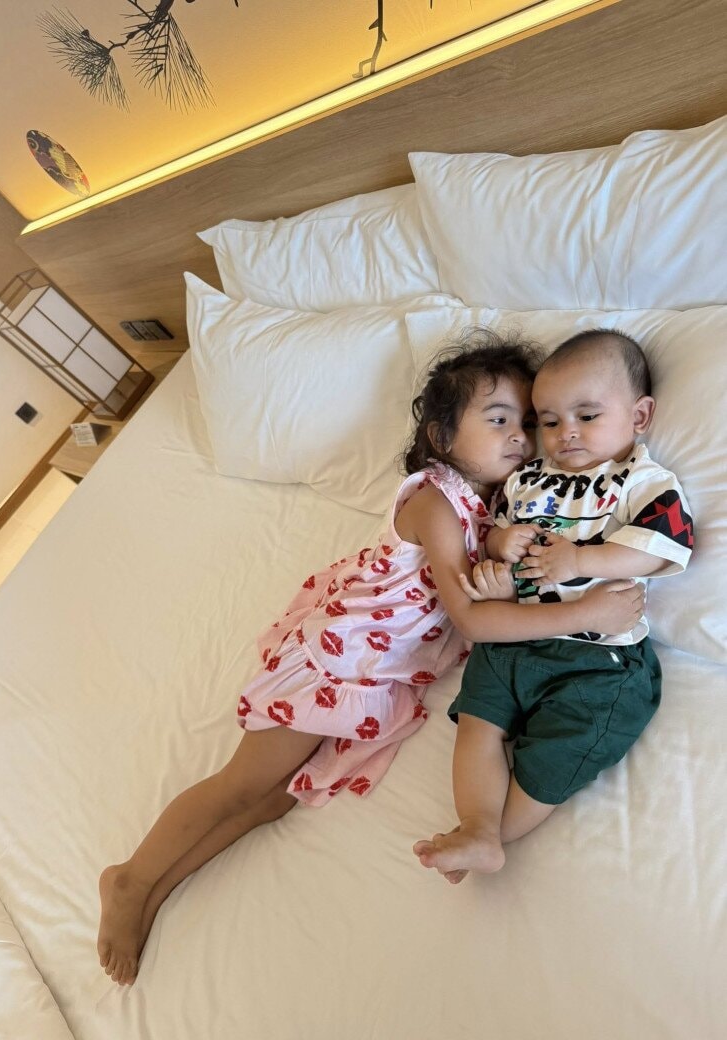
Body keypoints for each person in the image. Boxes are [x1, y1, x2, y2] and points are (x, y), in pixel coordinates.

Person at [98, 331, 645, 984]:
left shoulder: (493, 508)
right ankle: (131, 879)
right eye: (499, 420)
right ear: (442, 436)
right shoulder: (435, 500)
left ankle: (158, 889)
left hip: (374, 678)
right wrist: (584, 615)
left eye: (528, 424)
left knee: (274, 802)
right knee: (241, 785)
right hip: (337, 663)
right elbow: (471, 618)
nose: (521, 438)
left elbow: (496, 574)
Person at [414, 328, 694, 881]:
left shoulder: (640, 480)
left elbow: (664, 545)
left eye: (586, 416)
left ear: (639, 416)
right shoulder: (526, 480)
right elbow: (493, 533)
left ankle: (493, 836)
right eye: (548, 421)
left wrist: (580, 561)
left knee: (564, 744)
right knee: (477, 721)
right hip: (515, 640)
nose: (566, 433)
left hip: (598, 657)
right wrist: (500, 546)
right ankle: (476, 826)